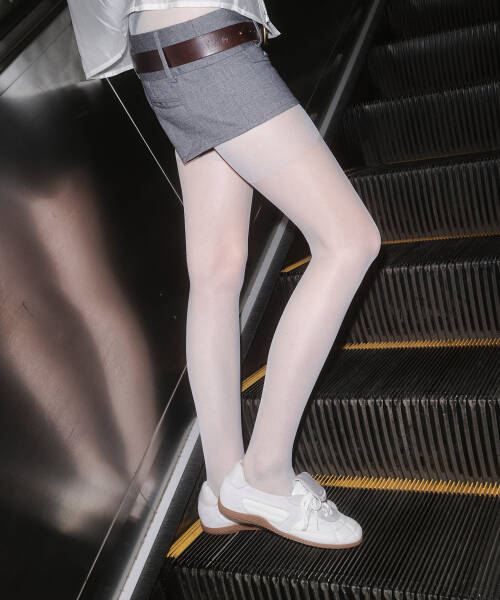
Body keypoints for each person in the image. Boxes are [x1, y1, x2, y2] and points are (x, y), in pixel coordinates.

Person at [67, 1, 381, 549]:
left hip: (163, 51)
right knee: (350, 241)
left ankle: (221, 483)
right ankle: (265, 473)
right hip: (210, 45)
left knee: (216, 271)